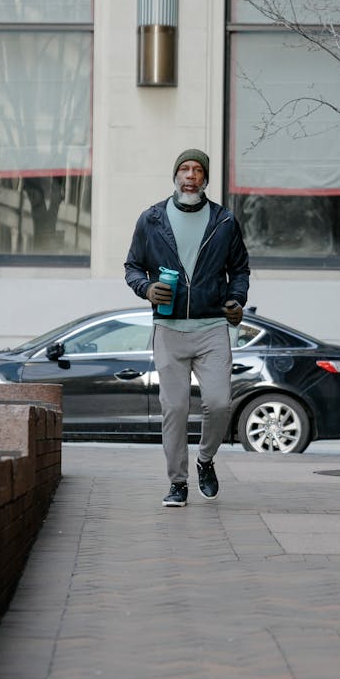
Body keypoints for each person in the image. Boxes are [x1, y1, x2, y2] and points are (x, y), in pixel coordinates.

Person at [124, 150, 250, 507]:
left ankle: (205, 461)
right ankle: (177, 482)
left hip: (212, 326)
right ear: (175, 176)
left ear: (205, 179)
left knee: (219, 403)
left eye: (197, 170)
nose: (190, 175)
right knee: (175, 408)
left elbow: (239, 270)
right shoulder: (152, 219)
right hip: (168, 327)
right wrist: (147, 288)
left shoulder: (224, 221)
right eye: (184, 169)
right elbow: (133, 266)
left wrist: (236, 299)